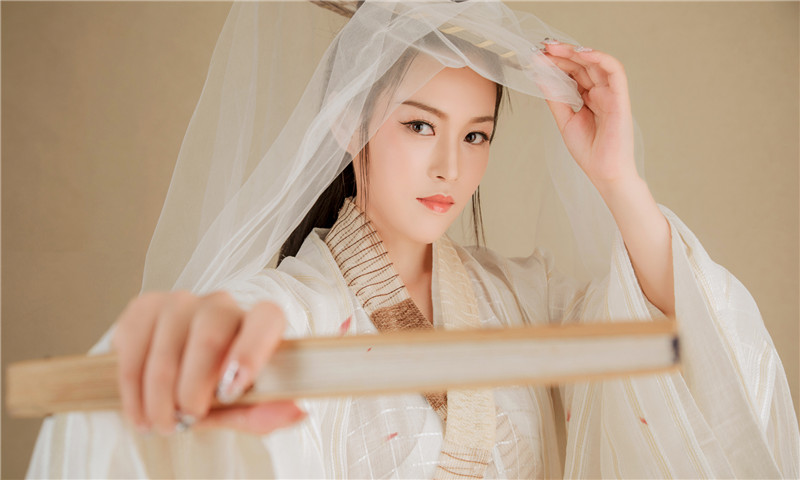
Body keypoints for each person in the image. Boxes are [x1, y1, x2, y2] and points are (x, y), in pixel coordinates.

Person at [27, 1, 798, 478]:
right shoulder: (296, 307)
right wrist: (203, 339)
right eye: (420, 126)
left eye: (476, 135)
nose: (450, 167)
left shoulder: (527, 302)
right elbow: (243, 329)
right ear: (347, 121)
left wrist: (619, 179)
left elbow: (689, 341)